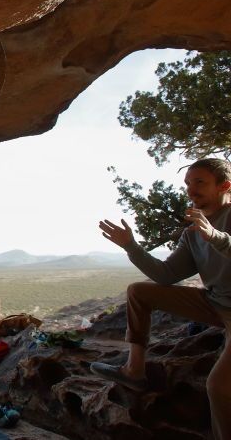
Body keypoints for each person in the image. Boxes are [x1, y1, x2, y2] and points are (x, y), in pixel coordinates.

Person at [91, 158, 231, 439]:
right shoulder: (193, 232)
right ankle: (134, 370)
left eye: (199, 182)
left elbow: (221, 241)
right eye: (188, 184)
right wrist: (131, 246)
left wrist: (214, 236)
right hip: (216, 303)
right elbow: (166, 275)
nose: (191, 191)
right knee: (139, 291)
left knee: (219, 386)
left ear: (224, 185)